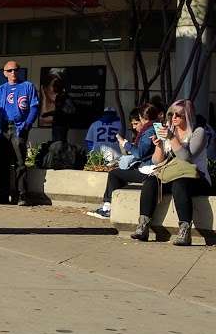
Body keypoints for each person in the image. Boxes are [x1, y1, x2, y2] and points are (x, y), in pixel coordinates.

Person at [130, 99, 211, 246]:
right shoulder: (170, 130)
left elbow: (186, 158)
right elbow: (157, 161)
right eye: (171, 114)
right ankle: (143, 226)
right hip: (172, 174)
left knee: (179, 184)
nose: (173, 118)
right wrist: (160, 145)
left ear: (188, 115)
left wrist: (172, 138)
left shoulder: (199, 132)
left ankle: (184, 231)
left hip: (196, 177)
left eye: (178, 115)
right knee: (150, 181)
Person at [88, 103, 160, 219]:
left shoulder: (149, 131)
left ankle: (108, 207)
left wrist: (125, 144)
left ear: (142, 118)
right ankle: (113, 205)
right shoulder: (157, 128)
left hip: (148, 170)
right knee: (120, 172)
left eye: (136, 123)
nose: (135, 126)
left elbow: (140, 153)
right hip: (149, 168)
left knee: (114, 174)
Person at [0, 61, 40, 206]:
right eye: (10, 70)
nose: (13, 73)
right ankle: (4, 194)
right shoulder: (0, 90)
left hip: (19, 127)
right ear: (4, 73)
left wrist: (27, 125)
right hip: (3, 129)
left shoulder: (27, 86)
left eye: (16, 70)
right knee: (2, 163)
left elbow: (34, 107)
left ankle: (22, 195)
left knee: (20, 162)